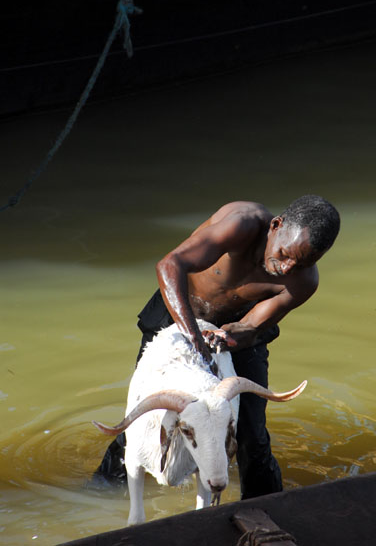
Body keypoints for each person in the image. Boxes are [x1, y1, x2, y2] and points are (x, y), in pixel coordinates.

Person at [93, 195, 340, 498]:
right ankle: (101, 492)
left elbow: (252, 326)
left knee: (252, 432)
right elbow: (170, 266)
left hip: (231, 335)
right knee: (146, 413)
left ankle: (266, 505)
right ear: (276, 226)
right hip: (176, 311)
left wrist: (232, 337)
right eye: (285, 254)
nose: (288, 268)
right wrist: (192, 333)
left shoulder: (303, 282)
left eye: (302, 263)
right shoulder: (241, 224)